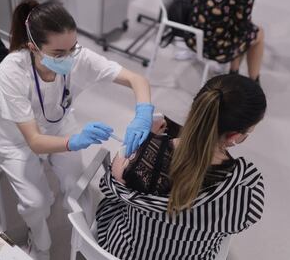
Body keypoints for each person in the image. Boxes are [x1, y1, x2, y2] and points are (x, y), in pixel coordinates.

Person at [0, 0, 153, 260]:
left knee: (78, 188)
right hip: (16, 139)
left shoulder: (77, 56)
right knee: (36, 203)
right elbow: (34, 141)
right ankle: (39, 243)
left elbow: (137, 79)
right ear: (33, 47)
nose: (69, 57)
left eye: (72, 47)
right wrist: (74, 141)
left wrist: (143, 113)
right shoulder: (12, 70)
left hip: (58, 123)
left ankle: (84, 242)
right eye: (58, 54)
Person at [96, 74, 267, 260]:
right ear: (234, 136)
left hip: (122, 251)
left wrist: (146, 142)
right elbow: (235, 225)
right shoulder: (245, 189)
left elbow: (112, 182)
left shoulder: (143, 159)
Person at [185, 0, 264, 83]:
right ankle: (254, 83)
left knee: (238, 28)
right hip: (215, 49)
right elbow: (242, 28)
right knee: (258, 33)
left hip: (192, 36)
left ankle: (234, 72)